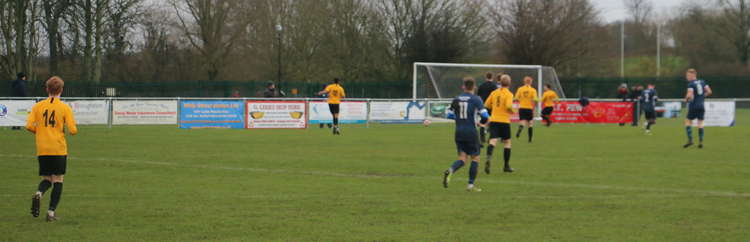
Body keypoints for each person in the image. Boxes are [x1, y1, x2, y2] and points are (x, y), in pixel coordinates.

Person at [26, 76, 78, 222]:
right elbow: (73, 130)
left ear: (47, 89)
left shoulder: (37, 106)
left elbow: (29, 125)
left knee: (47, 178)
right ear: (61, 90)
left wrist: (41, 131)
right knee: (58, 180)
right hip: (58, 148)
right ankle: (50, 213)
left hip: (42, 148)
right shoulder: (65, 107)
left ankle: (39, 193)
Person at [442, 77, 490, 192]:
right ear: (474, 87)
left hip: (459, 131)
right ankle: (470, 185)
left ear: (463, 86)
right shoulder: (476, 99)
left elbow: (449, 115)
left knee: (462, 159)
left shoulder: (456, 99)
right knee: (475, 158)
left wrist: (459, 118)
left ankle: (451, 170)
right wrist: (481, 123)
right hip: (471, 132)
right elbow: (485, 116)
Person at [484, 74, 515, 174]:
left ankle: (488, 158)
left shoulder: (494, 92)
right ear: (509, 83)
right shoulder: (509, 94)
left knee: (493, 140)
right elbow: (508, 106)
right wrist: (513, 111)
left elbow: (487, 104)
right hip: (504, 121)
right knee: (507, 142)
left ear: (500, 82)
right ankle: (506, 166)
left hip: (494, 120)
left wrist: (495, 107)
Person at [683, 69, 712, 148]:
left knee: (688, 121)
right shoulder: (702, 82)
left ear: (692, 75)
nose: (687, 77)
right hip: (701, 106)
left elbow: (689, 95)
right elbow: (709, 91)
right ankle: (701, 142)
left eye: (688, 76)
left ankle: (690, 140)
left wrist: (686, 99)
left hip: (693, 106)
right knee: (700, 123)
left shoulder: (691, 84)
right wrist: (702, 97)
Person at [514, 76, 538, 142]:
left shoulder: (520, 89)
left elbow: (516, 98)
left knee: (522, 122)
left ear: (524, 81)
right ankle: (530, 139)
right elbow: (535, 99)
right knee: (530, 123)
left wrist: (520, 100)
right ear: (531, 82)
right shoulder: (533, 90)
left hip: (522, 108)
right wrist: (534, 103)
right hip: (529, 108)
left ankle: (519, 130)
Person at [476, 72, 497, 147]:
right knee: (492, 122)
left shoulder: (481, 86)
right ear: (492, 77)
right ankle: (490, 139)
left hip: (483, 107)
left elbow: (478, 96)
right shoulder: (494, 86)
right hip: (491, 107)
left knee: (482, 121)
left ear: (486, 77)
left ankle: (482, 139)